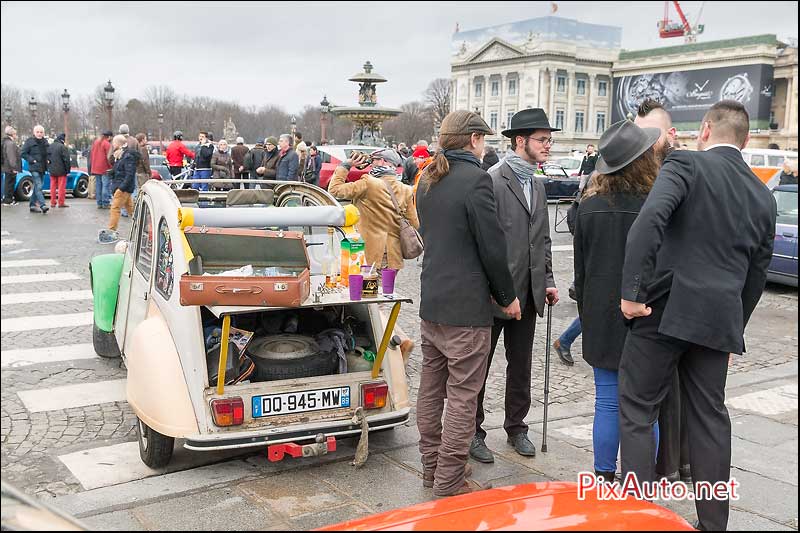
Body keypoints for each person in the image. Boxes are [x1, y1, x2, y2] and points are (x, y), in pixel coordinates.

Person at [618, 101, 777, 532]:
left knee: (636, 410)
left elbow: (648, 222)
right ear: (744, 140)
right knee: (710, 420)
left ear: (705, 129)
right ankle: (713, 524)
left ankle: (638, 518)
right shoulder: (763, 195)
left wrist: (631, 292)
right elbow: (757, 273)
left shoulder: (685, 164)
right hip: (717, 320)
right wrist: (733, 330)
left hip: (664, 309)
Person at [415, 110, 521, 497]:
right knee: (462, 395)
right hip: (465, 308)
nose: (486, 145)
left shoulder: (428, 177)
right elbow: (492, 248)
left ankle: (430, 471)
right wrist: (508, 297)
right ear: (474, 139)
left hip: (434, 303)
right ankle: (449, 480)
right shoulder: (475, 179)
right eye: (484, 139)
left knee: (431, 388)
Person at [573, 120, 662, 483]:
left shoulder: (588, 207)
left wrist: (587, 313)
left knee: (606, 402)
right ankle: (640, 478)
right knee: (644, 409)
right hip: (647, 314)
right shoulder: (656, 206)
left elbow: (580, 273)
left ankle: (603, 477)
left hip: (600, 314)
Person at [471, 108, 559, 464]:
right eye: (543, 140)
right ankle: (472, 432)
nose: (548, 146)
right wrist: (496, 289)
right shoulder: (492, 179)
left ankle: (516, 426)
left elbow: (544, 240)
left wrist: (548, 281)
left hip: (530, 293)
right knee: (480, 365)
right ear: (520, 141)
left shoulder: (538, 183)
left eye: (549, 140)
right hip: (494, 295)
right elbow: (483, 243)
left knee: (520, 365)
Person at [632, 98, 687, 484]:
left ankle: (672, 466)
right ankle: (666, 466)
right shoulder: (643, 171)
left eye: (649, 134)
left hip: (676, 302)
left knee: (672, 396)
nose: (643, 142)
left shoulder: (682, 171)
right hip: (659, 306)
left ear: (670, 134)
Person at [328, 147, 418, 271]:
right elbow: (414, 223)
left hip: (369, 254)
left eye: (374, 160)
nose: (371, 164)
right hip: (393, 256)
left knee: (367, 289)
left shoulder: (368, 183)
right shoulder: (405, 189)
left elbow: (334, 190)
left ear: (382, 161)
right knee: (386, 290)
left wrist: (346, 165)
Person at [101, 135, 140, 243]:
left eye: (114, 143)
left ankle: (111, 230)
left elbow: (129, 174)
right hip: (122, 186)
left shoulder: (127, 156)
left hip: (123, 187)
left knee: (115, 208)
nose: (112, 145)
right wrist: (112, 172)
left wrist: (121, 188)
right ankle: (143, 226)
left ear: (118, 143)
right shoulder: (120, 155)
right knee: (131, 209)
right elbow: (121, 170)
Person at [20, 125, 49, 214]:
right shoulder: (29, 141)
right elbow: (23, 153)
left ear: (43, 133)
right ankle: (42, 205)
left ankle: (32, 205)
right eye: (37, 132)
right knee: (39, 185)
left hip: (43, 167)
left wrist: (49, 160)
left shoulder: (45, 142)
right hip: (34, 167)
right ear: (34, 133)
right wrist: (32, 160)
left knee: (37, 186)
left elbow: (49, 153)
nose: (39, 134)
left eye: (41, 132)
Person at [89, 130, 113, 208]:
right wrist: (111, 167)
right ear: (109, 136)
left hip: (95, 167)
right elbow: (109, 157)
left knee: (98, 186)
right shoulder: (107, 144)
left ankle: (99, 203)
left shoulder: (96, 143)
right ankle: (105, 202)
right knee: (105, 185)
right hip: (104, 168)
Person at [47, 133, 71, 208]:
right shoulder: (63, 147)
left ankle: (52, 202)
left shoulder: (50, 146)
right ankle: (61, 203)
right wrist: (68, 171)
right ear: (62, 140)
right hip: (62, 171)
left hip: (52, 170)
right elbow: (66, 160)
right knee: (61, 187)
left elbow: (47, 158)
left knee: (52, 187)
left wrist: (49, 167)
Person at [2, 126, 21, 206]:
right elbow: (11, 156)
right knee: (10, 183)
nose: (16, 135)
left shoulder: (4, 142)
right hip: (9, 167)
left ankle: (7, 198)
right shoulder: (11, 143)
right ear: (12, 134)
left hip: (5, 166)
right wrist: (14, 167)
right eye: (15, 134)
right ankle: (8, 200)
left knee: (7, 182)